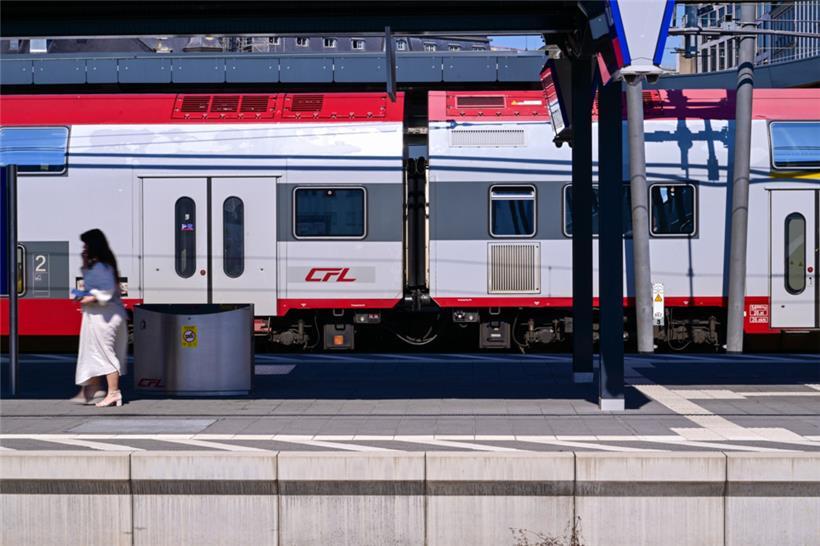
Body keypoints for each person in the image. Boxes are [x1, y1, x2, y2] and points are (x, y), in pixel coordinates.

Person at [70, 229, 128, 407]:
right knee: (94, 352)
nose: (83, 249)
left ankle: (114, 393)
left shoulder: (102, 267)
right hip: (100, 315)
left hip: (105, 317)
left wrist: (89, 297)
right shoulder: (101, 265)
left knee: (105, 353)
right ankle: (94, 389)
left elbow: (107, 291)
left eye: (86, 245)